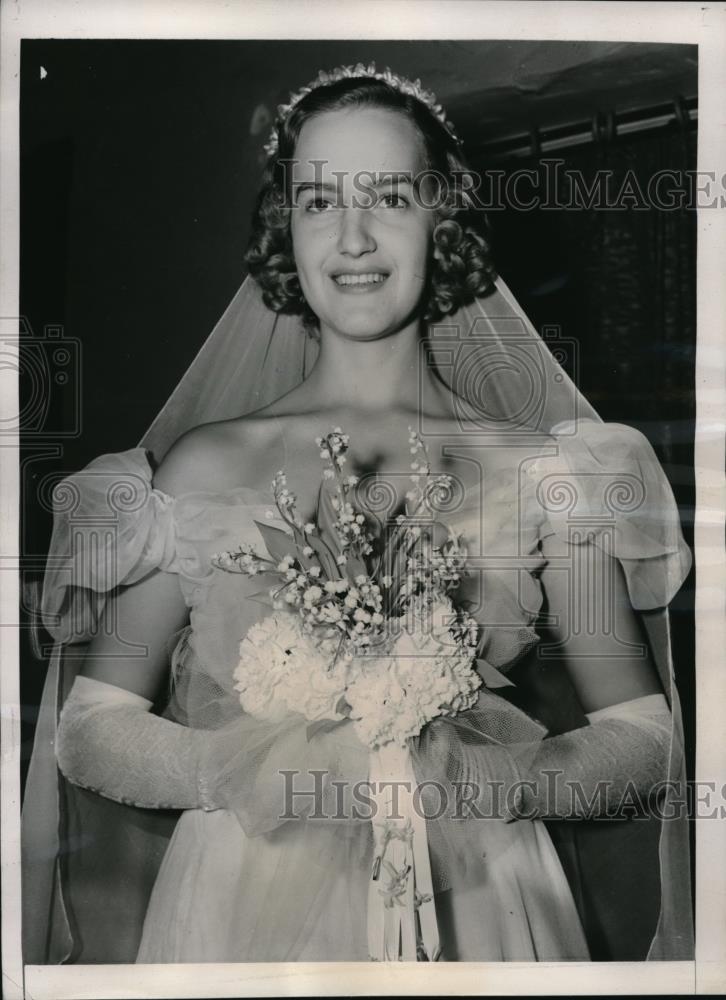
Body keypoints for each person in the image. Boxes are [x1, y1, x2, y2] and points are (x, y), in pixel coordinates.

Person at [23, 65, 693, 964]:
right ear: (284, 228)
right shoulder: (203, 465)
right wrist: (260, 775)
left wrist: (480, 782)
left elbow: (644, 741)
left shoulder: (548, 472)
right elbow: (91, 728)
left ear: (441, 218)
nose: (353, 237)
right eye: (317, 201)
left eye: (389, 196)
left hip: (484, 903)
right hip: (236, 908)